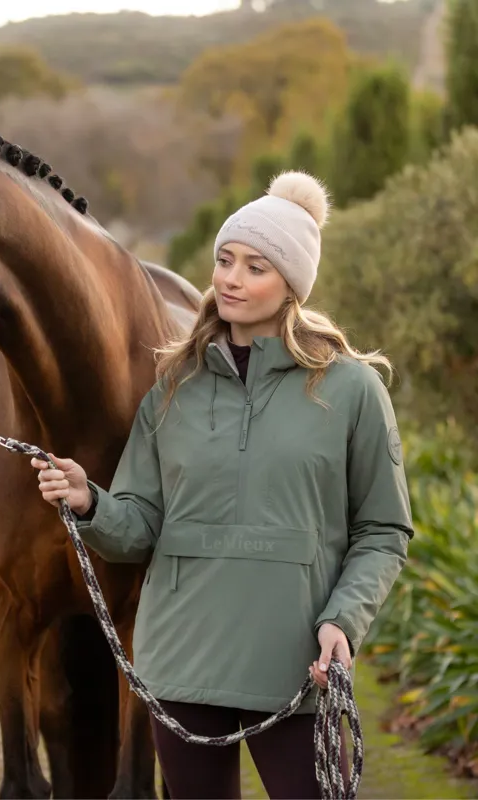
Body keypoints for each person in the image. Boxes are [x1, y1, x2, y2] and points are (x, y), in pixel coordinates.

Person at [31, 171, 413, 800]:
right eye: (225, 260)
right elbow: (140, 526)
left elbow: (383, 529)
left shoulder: (350, 390)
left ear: (292, 282)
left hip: (295, 664)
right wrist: (91, 502)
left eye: (255, 266)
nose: (230, 278)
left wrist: (344, 619)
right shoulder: (174, 387)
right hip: (181, 661)